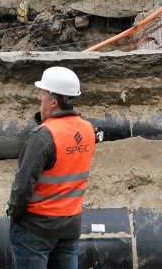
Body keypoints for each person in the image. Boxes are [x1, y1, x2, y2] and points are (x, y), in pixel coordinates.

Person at [6, 66, 96, 269]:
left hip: (36, 228)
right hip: (69, 225)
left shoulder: (43, 136)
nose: (40, 101)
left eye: (42, 96)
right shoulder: (87, 130)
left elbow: (22, 186)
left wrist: (15, 214)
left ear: (54, 101)